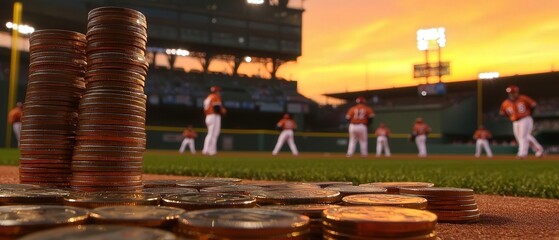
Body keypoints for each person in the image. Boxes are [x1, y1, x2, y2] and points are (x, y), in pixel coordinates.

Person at [499, 85, 543, 158]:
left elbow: (533, 105)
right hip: (515, 121)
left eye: (514, 92)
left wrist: (529, 114)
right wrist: (510, 116)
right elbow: (502, 113)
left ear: (517, 92)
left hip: (525, 118)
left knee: (523, 136)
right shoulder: (505, 103)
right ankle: (539, 149)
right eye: (511, 92)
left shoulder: (523, 98)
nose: (513, 94)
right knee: (520, 137)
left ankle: (522, 153)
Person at [202, 86, 226, 156]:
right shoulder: (215, 96)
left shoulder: (208, 97)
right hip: (214, 116)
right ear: (216, 91)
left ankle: (210, 150)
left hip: (208, 116)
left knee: (211, 134)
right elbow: (217, 108)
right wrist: (223, 111)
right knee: (213, 134)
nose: (220, 92)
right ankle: (208, 150)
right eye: (219, 91)